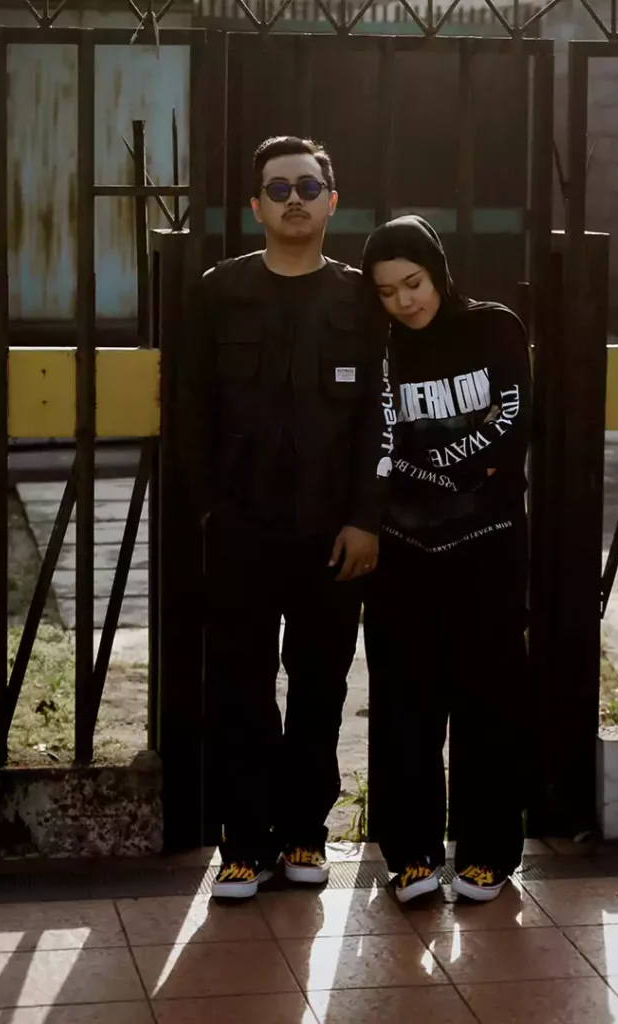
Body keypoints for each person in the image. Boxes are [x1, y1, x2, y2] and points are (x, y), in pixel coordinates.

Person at [175, 137, 387, 900]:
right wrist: (210, 508)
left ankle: (304, 834)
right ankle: (245, 842)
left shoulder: (360, 300)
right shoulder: (218, 292)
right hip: (243, 531)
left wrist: (366, 518)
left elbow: (377, 417)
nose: (294, 199)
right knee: (239, 686)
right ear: (255, 207)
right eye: (278, 188)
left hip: (333, 535)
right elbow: (190, 409)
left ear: (333, 201)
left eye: (308, 186)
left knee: (320, 687)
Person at [361, 215, 532, 904]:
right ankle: (411, 855)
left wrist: (436, 468)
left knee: (490, 697)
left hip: (489, 547)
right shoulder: (377, 348)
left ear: (437, 271)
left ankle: (488, 851)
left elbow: (512, 419)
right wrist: (443, 473)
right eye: (387, 291)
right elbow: (371, 440)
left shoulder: (495, 328)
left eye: (414, 282)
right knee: (405, 703)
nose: (405, 301)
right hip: (402, 553)